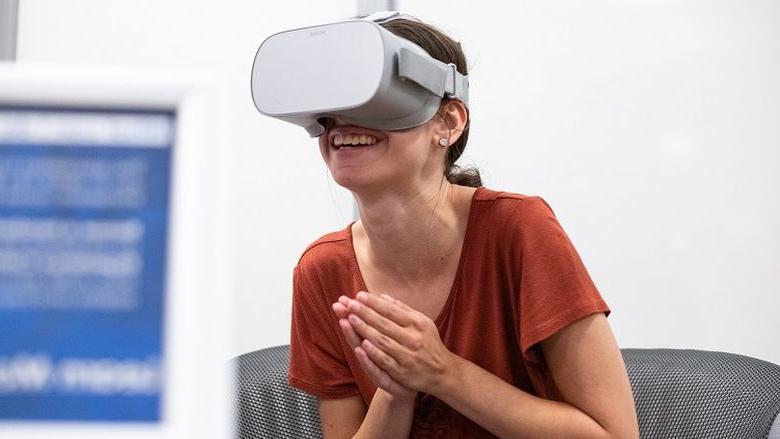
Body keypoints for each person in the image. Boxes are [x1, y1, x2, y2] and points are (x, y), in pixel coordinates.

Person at [287, 16, 640, 438]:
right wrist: (396, 392)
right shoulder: (322, 269)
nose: (343, 122)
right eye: (334, 106)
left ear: (449, 121)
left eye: (378, 99)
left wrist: (443, 373)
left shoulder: (518, 230)